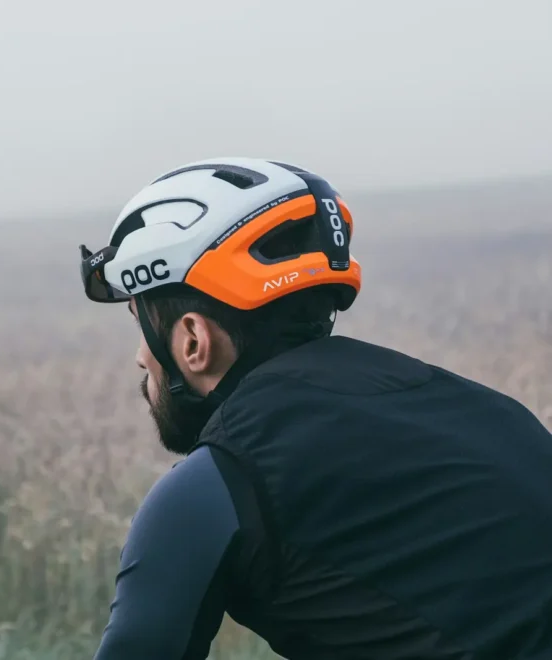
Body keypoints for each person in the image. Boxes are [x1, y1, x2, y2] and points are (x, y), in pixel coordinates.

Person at [79, 157, 552, 660]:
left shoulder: (216, 486)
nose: (139, 356)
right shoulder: (488, 412)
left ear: (194, 340)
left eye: (141, 326)